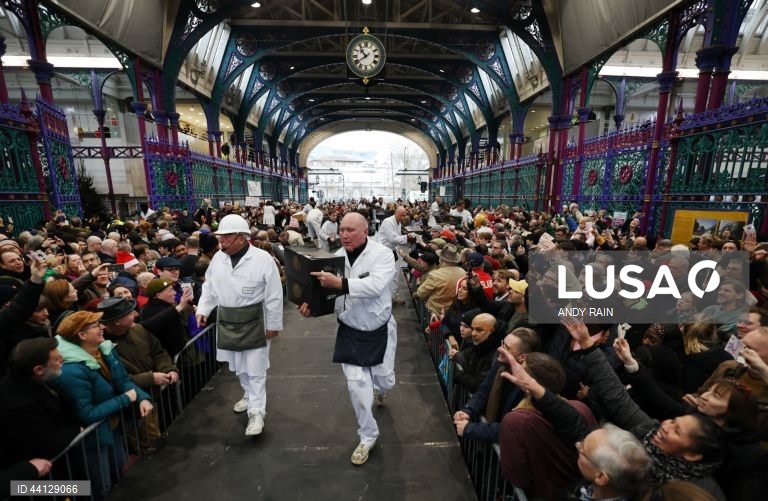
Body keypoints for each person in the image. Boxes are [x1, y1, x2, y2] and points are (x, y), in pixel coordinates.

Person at [298, 211, 397, 466]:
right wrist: (311, 306)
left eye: (350, 230)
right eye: (342, 229)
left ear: (365, 231)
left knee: (385, 379)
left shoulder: (382, 255)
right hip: (350, 328)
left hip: (380, 327)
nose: (344, 235)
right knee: (356, 386)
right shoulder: (337, 258)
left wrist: (340, 283)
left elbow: (375, 286)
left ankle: (382, 390)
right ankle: (367, 435)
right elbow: (327, 293)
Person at [196, 214, 283, 437]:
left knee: (255, 369)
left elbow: (274, 294)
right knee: (237, 365)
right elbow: (210, 287)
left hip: (255, 320)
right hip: (228, 320)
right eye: (220, 238)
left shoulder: (263, 259)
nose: (221, 242)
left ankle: (257, 412)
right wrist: (203, 309)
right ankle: (248, 394)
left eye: (226, 238)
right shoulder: (218, 259)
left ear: (242, 238)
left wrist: (273, 324)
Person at [378, 206, 415, 305]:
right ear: (395, 213)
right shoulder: (388, 222)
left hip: (392, 250)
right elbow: (392, 238)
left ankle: (392, 296)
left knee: (395, 274)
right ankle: (387, 297)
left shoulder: (398, 222)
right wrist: (407, 237)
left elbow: (397, 237)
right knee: (389, 275)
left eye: (404, 215)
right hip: (384, 252)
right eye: (401, 215)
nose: (403, 217)